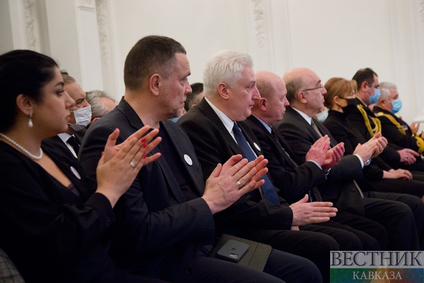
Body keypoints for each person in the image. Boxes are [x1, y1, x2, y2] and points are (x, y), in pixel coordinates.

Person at [80, 35, 320, 283]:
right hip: (163, 261)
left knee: (304, 271)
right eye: (183, 79)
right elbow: (137, 234)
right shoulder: (113, 135)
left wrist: (223, 192)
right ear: (155, 84)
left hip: (205, 244)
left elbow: (200, 199)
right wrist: (211, 201)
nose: (188, 88)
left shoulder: (173, 129)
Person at [178, 50, 349, 283]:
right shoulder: (197, 127)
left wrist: (287, 211)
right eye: (250, 87)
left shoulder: (240, 121)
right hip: (236, 229)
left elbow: (268, 182)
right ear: (224, 90)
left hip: (266, 216)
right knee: (323, 250)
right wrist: (287, 215)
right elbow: (232, 205)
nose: (257, 95)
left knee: (346, 239)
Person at [0, 50, 162, 282]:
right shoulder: (7, 167)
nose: (69, 102)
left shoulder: (52, 147)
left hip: (104, 269)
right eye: (58, 92)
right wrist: (109, 189)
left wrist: (112, 172)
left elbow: (95, 217)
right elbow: (61, 241)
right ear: (26, 103)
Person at [278, 67, 424, 250]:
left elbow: (339, 158)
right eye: (319, 86)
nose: (324, 91)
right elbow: (321, 171)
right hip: (334, 198)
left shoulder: (310, 121)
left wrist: (367, 155)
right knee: (395, 217)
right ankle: (404, 274)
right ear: (302, 96)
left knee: (406, 209)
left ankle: (408, 272)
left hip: (349, 191)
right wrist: (360, 157)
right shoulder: (290, 127)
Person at [245, 70, 386, 250]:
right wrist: (315, 164)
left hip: (315, 200)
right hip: (305, 204)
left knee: (373, 233)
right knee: (359, 240)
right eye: (282, 99)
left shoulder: (271, 128)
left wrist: (323, 164)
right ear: (263, 104)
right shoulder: (272, 128)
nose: (287, 103)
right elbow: (287, 184)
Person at [322, 77, 424, 200]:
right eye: (351, 94)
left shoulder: (347, 120)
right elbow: (354, 161)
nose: (355, 98)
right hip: (364, 180)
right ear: (337, 100)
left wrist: (390, 170)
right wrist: (387, 174)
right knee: (418, 190)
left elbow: (371, 154)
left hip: (374, 173)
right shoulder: (333, 125)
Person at [350, 68, 424, 171]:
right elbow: (371, 143)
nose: (378, 92)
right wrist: (391, 169)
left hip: (385, 163)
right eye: (376, 87)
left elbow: (382, 140)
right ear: (365, 86)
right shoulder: (357, 111)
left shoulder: (364, 109)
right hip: (378, 168)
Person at [373, 82, 424, 154]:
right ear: (383, 102)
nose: (398, 100)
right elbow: (402, 141)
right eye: (395, 97)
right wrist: (422, 140)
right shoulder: (382, 118)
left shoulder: (389, 115)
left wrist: (416, 135)